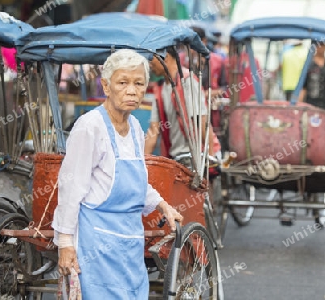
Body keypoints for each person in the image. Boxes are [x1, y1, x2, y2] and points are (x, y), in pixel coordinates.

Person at [52, 49, 183, 299]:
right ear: (106, 86)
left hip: (130, 244)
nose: (131, 90)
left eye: (138, 83)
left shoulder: (134, 127)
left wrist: (163, 205)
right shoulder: (90, 127)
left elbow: (137, 184)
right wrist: (66, 244)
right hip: (96, 246)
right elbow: (70, 189)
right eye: (123, 83)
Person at [144, 46, 221, 169]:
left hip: (198, 157)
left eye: (151, 58)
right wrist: (142, 162)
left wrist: (210, 158)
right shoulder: (160, 88)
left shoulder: (188, 82)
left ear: (165, 57)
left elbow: (202, 123)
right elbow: (154, 131)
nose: (149, 63)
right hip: (177, 159)